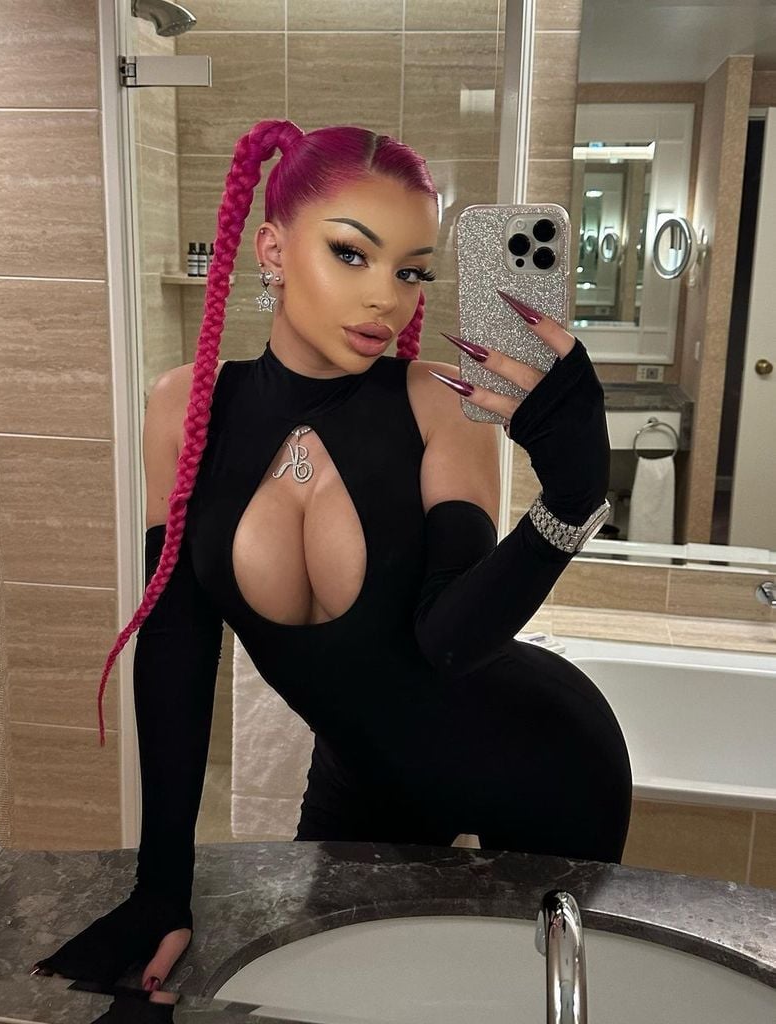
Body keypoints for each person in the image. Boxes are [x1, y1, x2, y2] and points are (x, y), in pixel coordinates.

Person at [31, 118, 631, 992]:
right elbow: (177, 646)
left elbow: (446, 642)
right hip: (362, 780)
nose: (386, 297)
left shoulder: (436, 402)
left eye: (411, 271)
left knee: (516, 1001)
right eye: (352, 254)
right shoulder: (184, 409)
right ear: (271, 250)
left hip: (539, 765)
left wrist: (570, 502)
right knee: (323, 995)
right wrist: (161, 887)